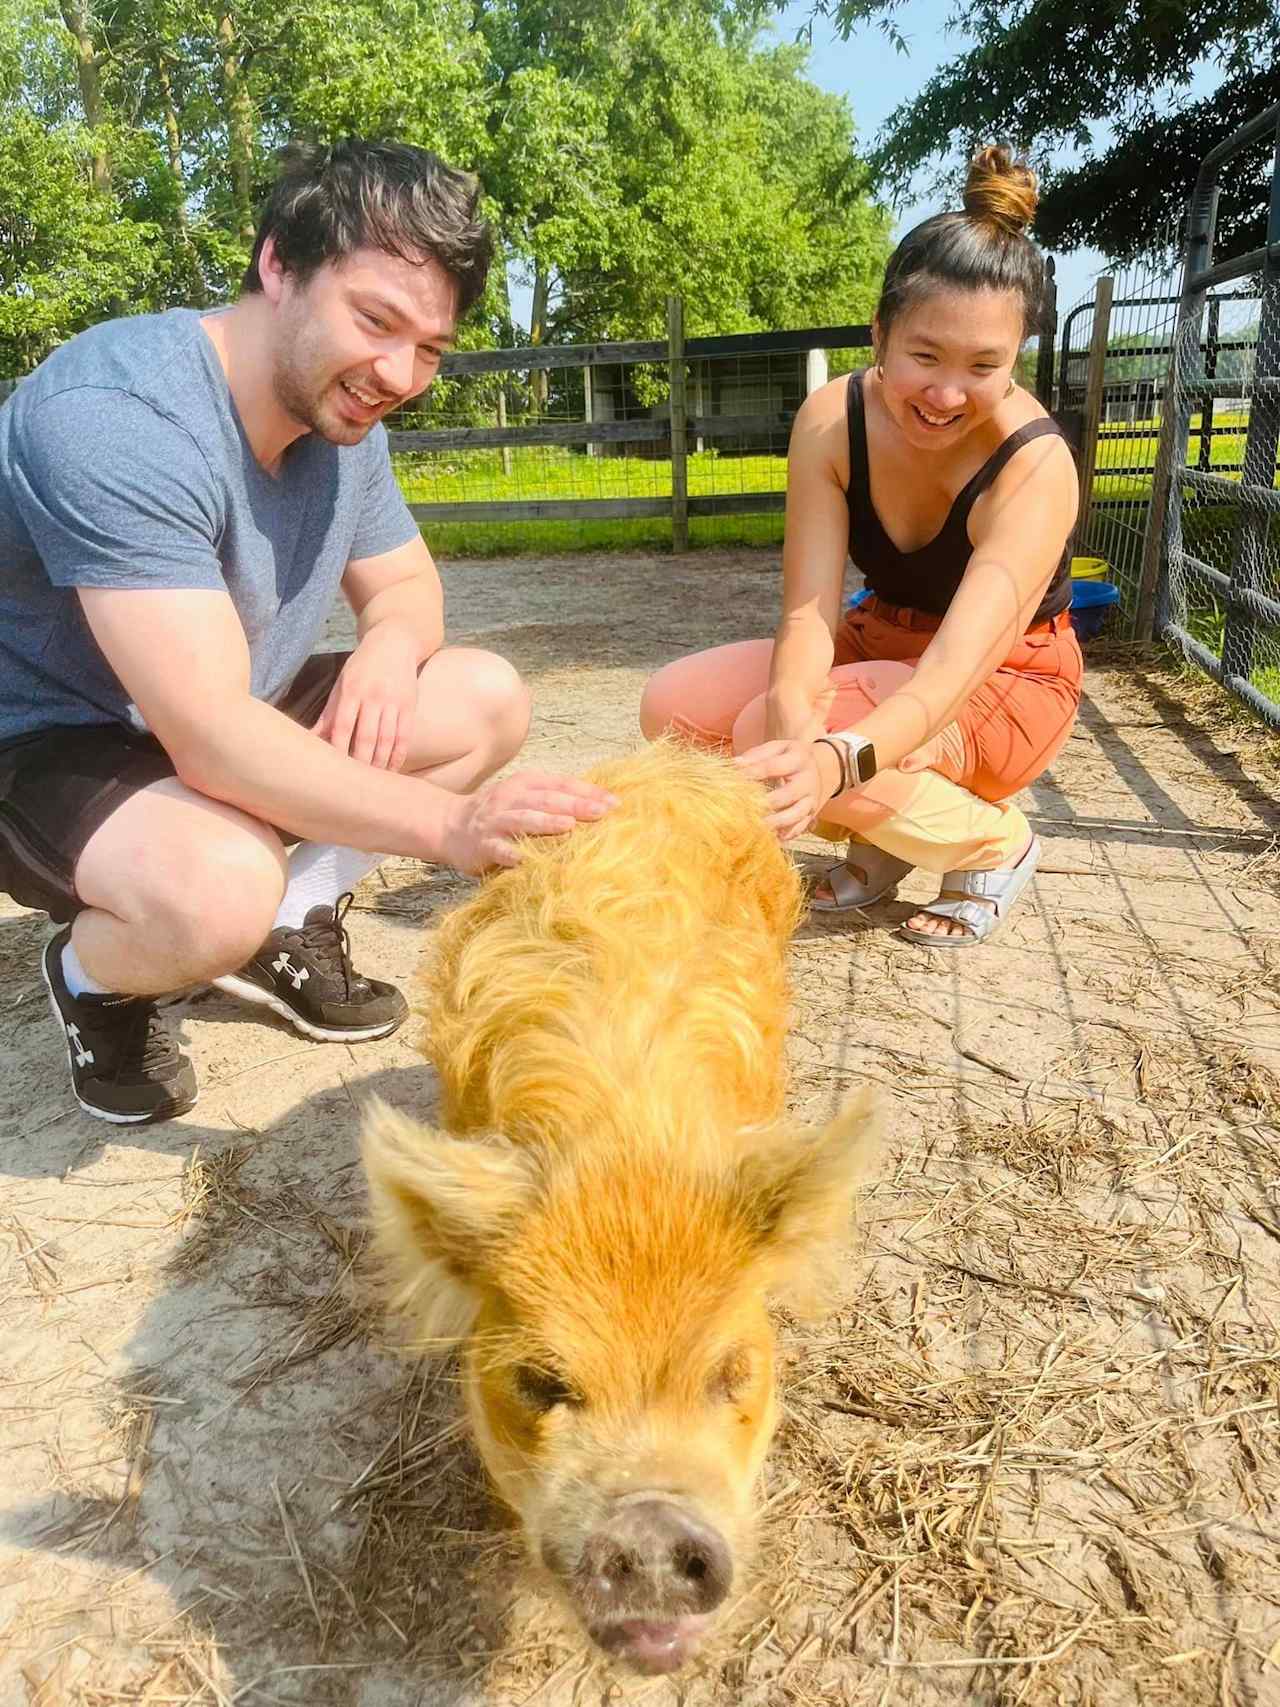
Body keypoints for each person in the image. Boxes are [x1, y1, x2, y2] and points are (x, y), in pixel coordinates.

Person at [0, 139, 613, 1126]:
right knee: (214, 887)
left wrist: (384, 646)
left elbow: (409, 586)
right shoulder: (116, 412)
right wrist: (450, 828)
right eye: (376, 320)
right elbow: (207, 734)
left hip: (210, 707)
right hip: (48, 740)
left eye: (430, 349)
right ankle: (96, 977)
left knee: (482, 695)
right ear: (279, 261)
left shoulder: (341, 421)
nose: (399, 374)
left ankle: (288, 918)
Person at [640, 145, 1080, 948]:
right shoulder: (830, 418)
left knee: (773, 744)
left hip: (1007, 679)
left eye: (985, 366)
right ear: (880, 331)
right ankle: (882, 841)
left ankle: (993, 844)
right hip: (879, 635)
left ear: (1018, 357)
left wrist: (832, 761)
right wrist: (791, 716)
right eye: (924, 356)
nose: (947, 395)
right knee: (677, 707)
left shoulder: (1036, 468)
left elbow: (949, 676)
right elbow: (808, 611)